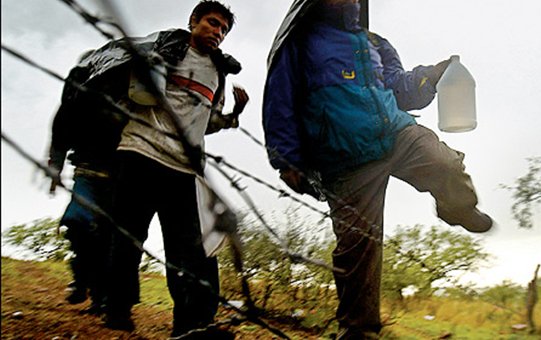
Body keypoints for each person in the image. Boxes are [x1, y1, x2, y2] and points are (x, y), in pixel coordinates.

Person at [262, 0, 493, 338]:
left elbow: (400, 90)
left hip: (394, 133)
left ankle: (457, 207)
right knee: (358, 245)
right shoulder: (300, 42)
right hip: (343, 154)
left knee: (443, 161)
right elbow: (279, 98)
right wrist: (285, 159)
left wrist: (430, 76)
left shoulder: (375, 43)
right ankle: (359, 331)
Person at [62, 1, 249, 336]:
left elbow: (206, 123)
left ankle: (192, 324)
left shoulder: (218, 73)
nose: (217, 33)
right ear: (194, 21)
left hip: (184, 169)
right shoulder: (162, 50)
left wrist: (235, 114)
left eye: (223, 29)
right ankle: (117, 307)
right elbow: (134, 93)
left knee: (191, 248)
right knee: (128, 238)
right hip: (139, 153)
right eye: (212, 23)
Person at [47, 49, 125, 316]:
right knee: (77, 223)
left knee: (106, 237)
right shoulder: (76, 98)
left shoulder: (127, 96)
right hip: (87, 172)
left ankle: (99, 298)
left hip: (118, 177)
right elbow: (60, 130)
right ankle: (81, 280)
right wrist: (55, 168)